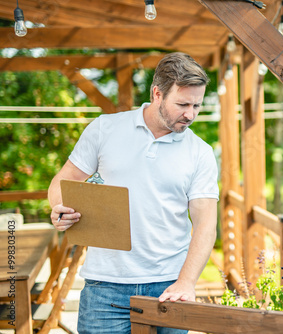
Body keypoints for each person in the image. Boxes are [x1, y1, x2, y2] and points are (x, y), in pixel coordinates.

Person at [48, 52, 219, 334]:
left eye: (197, 105)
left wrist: (187, 282)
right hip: (105, 287)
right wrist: (59, 206)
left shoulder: (200, 152)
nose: (190, 114)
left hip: (169, 286)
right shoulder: (105, 129)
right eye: (182, 104)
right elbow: (62, 182)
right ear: (157, 93)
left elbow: (205, 225)